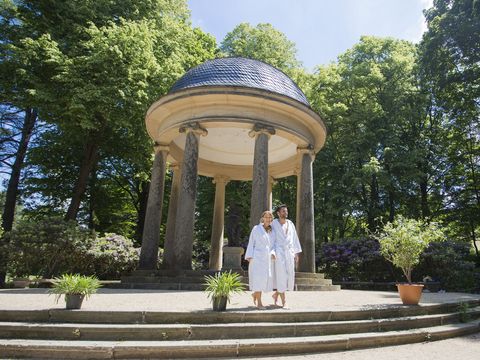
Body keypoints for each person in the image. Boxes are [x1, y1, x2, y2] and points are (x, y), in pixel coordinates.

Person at [271, 204, 301, 309]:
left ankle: (276, 294)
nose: (285, 213)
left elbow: (295, 239)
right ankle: (284, 301)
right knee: (281, 276)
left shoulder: (290, 224)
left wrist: (296, 253)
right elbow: (270, 238)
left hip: (289, 253)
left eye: (286, 211)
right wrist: (272, 252)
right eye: (283, 211)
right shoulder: (273, 224)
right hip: (279, 254)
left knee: (289, 276)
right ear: (278, 213)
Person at [245, 210, 276, 309]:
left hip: (267, 259)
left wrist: (273, 253)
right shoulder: (256, 229)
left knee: (264, 280)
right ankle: (259, 303)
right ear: (262, 218)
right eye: (266, 217)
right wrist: (249, 256)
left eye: (270, 217)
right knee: (258, 280)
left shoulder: (272, 231)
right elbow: (251, 242)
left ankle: (255, 295)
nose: (268, 219)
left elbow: (273, 245)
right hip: (257, 258)